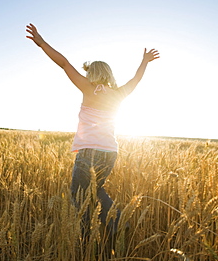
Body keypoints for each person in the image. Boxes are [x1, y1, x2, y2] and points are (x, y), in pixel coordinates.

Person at [26, 23, 159, 252]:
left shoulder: (89, 88)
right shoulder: (117, 94)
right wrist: (144, 61)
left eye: (88, 72)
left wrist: (41, 43)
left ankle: (87, 238)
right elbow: (135, 80)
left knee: (79, 196)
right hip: (110, 153)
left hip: (89, 151)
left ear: (93, 74)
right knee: (97, 190)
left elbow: (64, 63)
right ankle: (117, 222)